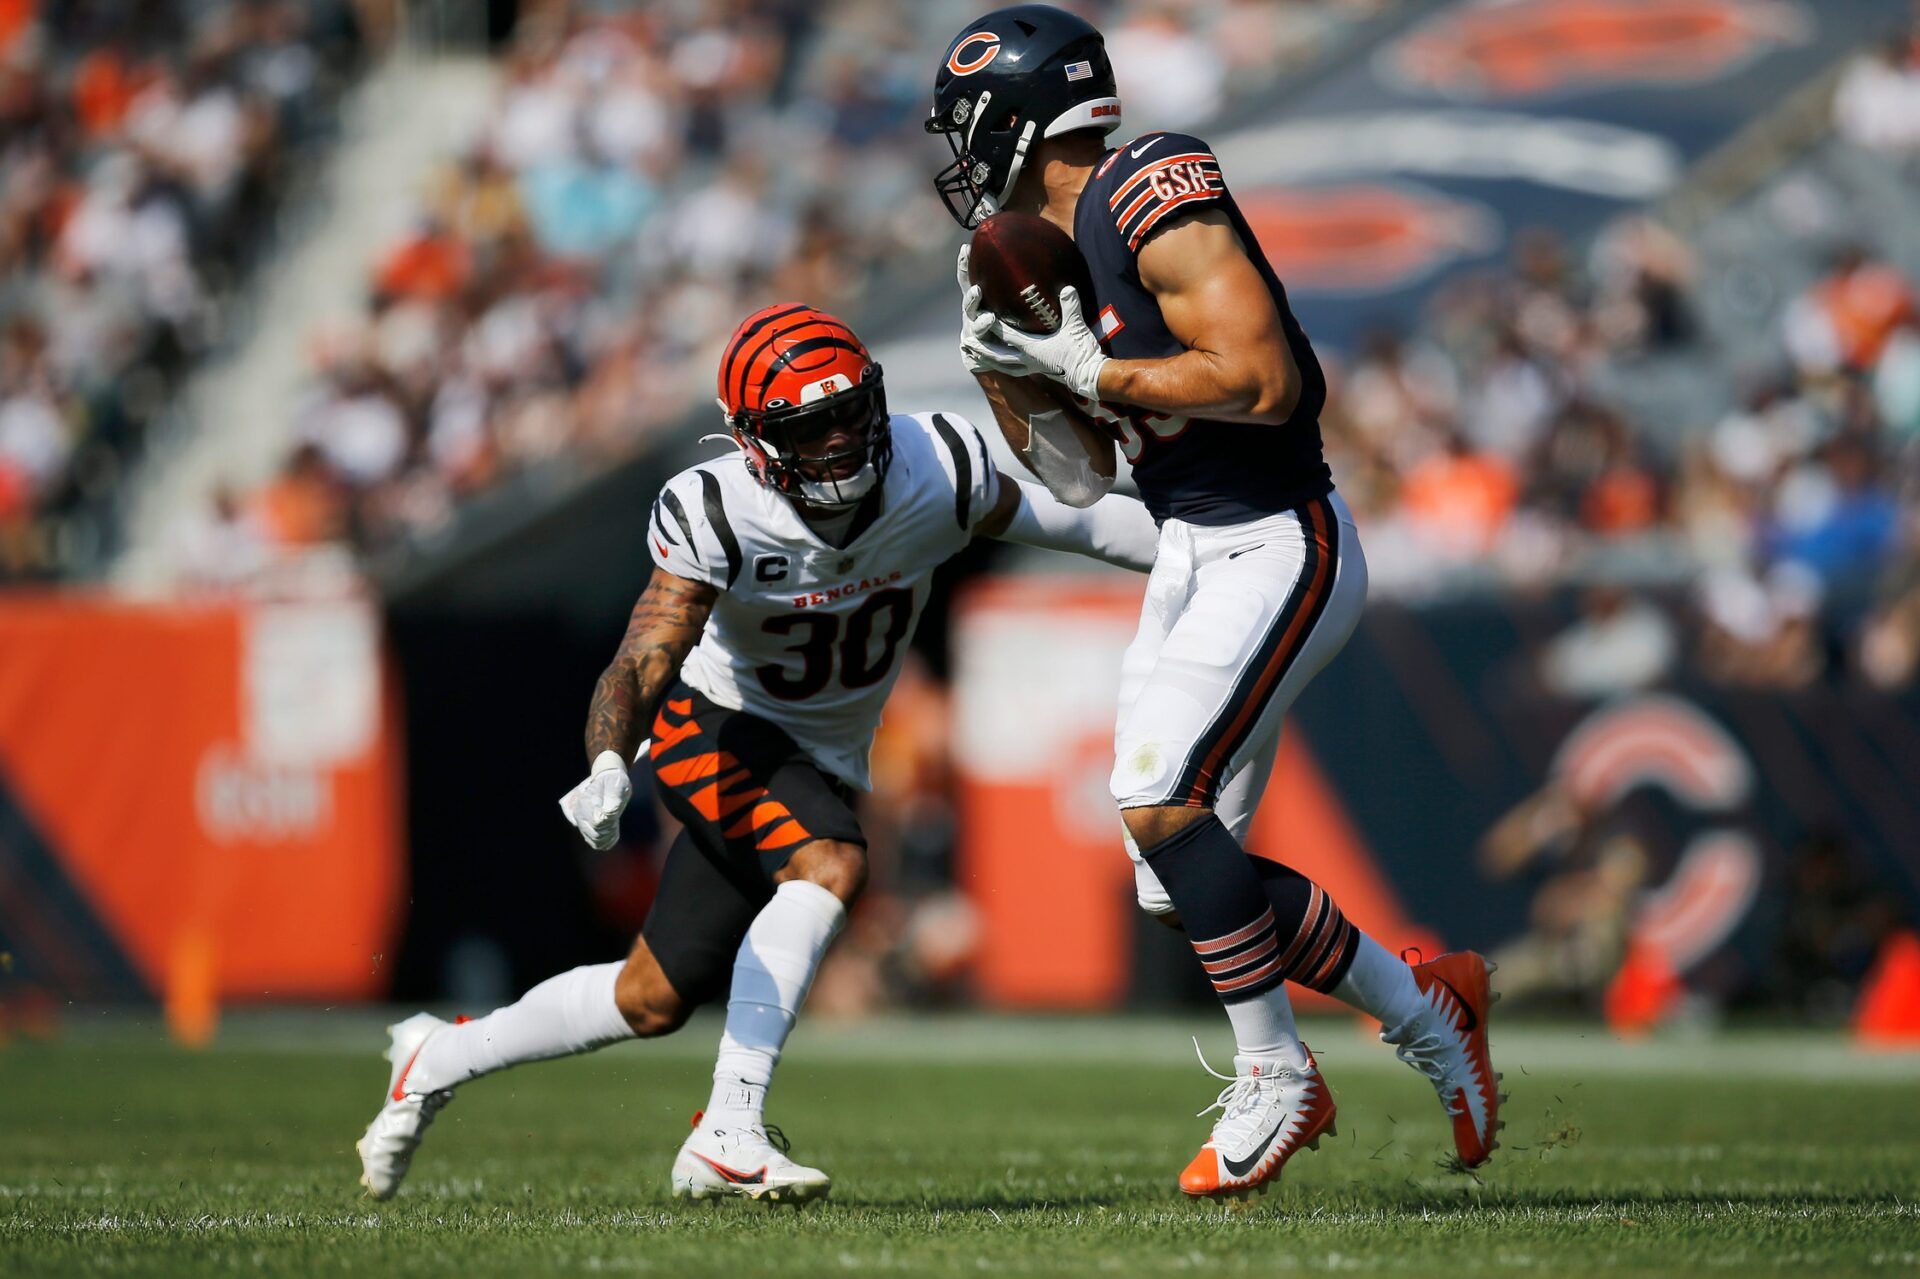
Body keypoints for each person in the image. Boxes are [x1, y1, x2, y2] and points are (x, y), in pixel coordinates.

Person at [356, 304, 1158, 1202]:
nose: (842, 441)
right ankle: (729, 1128)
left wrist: (1210, 555)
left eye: (852, 412)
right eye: (808, 427)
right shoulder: (717, 507)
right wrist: (610, 758)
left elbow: (1078, 524)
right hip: (720, 725)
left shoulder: (939, 462)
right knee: (829, 861)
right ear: (751, 440)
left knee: (652, 996)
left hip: (824, 756)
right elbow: (647, 652)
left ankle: (435, 1054)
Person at [926, 5, 1502, 1200]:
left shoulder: (1149, 186)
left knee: (1154, 796)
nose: (961, 157)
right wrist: (1005, 368)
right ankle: (1429, 1004)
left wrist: (1088, 364)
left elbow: (1265, 378)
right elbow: (1081, 469)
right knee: (1177, 876)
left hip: (1280, 539)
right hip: (1196, 544)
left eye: (968, 128)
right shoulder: (1052, 244)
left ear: (1016, 119)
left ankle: (1278, 1073)